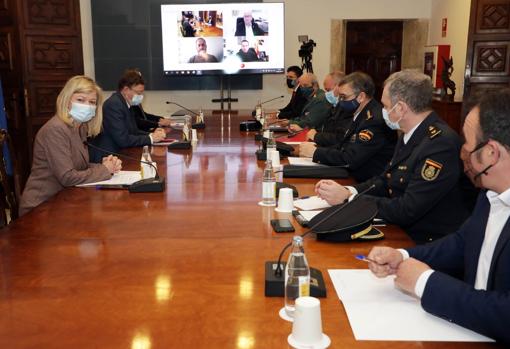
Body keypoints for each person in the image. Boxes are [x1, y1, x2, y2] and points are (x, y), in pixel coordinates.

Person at [366, 88, 510, 343]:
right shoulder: (489, 194)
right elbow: (462, 242)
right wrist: (402, 256)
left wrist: (425, 282)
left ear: (491, 152)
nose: (462, 149)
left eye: (467, 142)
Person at [315, 70, 471, 243]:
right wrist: (349, 190)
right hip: (399, 228)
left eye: (386, 106)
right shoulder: (410, 133)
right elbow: (385, 180)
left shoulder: (440, 144)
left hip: (425, 240)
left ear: (401, 108)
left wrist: (349, 199)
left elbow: (408, 209)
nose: (382, 111)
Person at [19, 76, 122, 216]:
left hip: (65, 202)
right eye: (80, 100)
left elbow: (79, 167)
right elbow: (67, 177)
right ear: (66, 100)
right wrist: (104, 170)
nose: (87, 105)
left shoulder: (79, 128)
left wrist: (104, 166)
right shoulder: (55, 129)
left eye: (92, 102)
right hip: (41, 208)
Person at [300, 72, 397, 182]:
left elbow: (351, 159)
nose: (340, 101)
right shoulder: (359, 112)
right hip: (352, 175)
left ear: (361, 96)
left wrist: (316, 153)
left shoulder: (374, 120)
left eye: (343, 97)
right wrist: (317, 149)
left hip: (366, 182)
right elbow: (344, 145)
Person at [88, 69, 166, 163]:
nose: (141, 96)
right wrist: (150, 138)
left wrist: (152, 134)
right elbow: (123, 139)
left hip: (120, 153)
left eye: (142, 93)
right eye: (138, 93)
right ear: (126, 90)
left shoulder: (126, 103)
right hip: (108, 157)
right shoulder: (114, 104)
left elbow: (133, 131)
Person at [307, 71, 351, 147]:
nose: (326, 94)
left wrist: (316, 136)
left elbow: (339, 138)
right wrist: (316, 132)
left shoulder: (347, 107)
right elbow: (328, 128)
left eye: (328, 90)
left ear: (339, 86)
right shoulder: (336, 105)